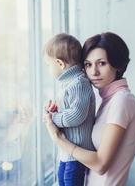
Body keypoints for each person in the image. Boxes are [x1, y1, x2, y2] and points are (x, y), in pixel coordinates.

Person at [44, 32, 135, 186]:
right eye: (88, 64)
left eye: (101, 63)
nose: (93, 72)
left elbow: (100, 165)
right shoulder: (105, 100)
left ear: (117, 65)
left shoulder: (122, 101)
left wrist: (58, 139)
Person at [43, 33, 96, 186]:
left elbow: (76, 115)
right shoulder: (67, 84)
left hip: (78, 153)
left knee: (70, 181)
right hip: (67, 152)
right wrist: (53, 111)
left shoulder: (79, 83)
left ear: (60, 64)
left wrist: (54, 118)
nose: (48, 69)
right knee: (62, 180)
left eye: (48, 65)